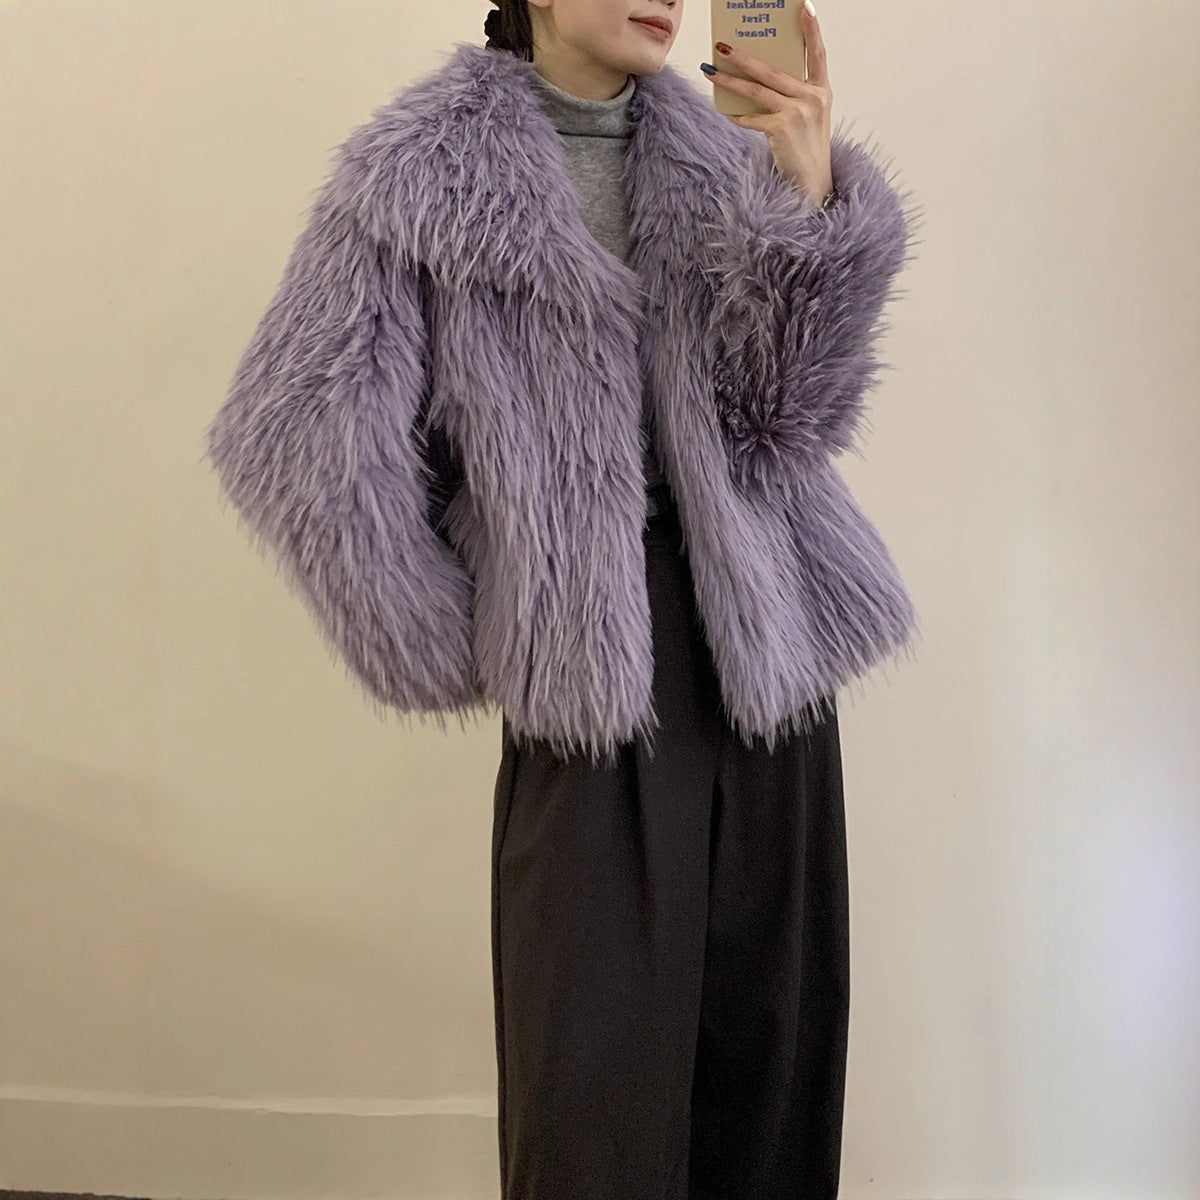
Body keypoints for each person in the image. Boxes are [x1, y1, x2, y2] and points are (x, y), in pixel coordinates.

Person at [204, 1, 923, 1196]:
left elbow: (780, 428)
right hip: (593, 675)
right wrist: (465, 629)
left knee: (767, 1081)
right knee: (591, 1105)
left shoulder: (723, 157)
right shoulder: (416, 178)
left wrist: (805, 209)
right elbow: (295, 433)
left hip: (771, 655)